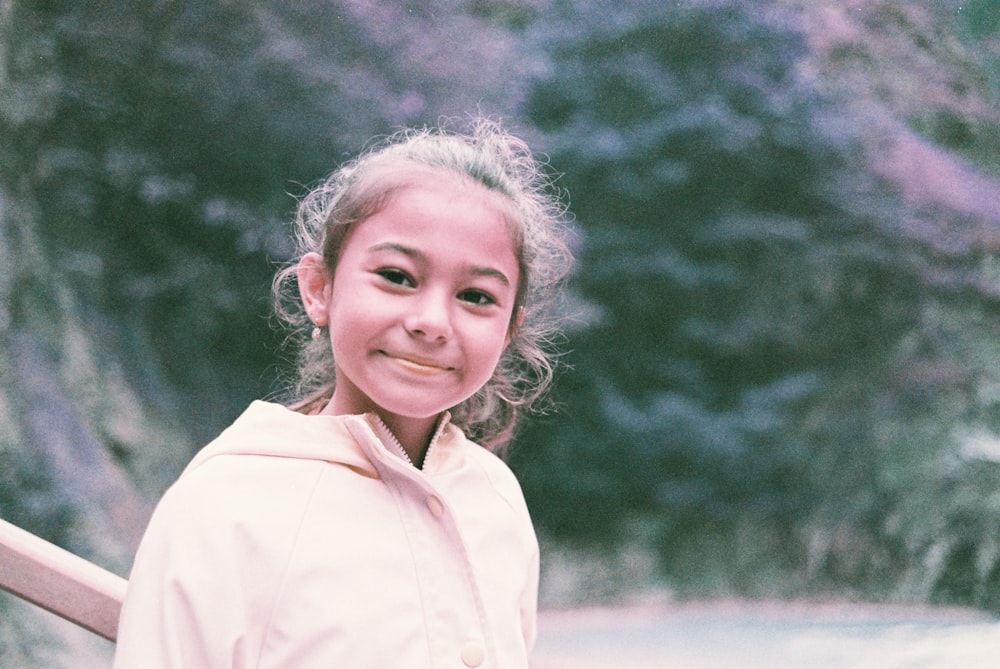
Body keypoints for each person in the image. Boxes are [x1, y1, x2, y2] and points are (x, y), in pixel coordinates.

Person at [113, 117, 574, 668]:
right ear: (320, 289)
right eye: (398, 277)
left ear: (510, 329)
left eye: (476, 296)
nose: (432, 321)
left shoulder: (495, 500)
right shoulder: (223, 506)